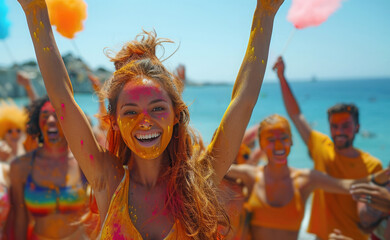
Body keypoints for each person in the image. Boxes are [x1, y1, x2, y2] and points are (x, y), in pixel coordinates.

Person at [17, 0, 285, 239]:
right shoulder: (107, 179)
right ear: (114, 122)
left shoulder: (200, 179)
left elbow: (244, 101)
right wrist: (35, 9)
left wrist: (265, 12)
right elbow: (62, 97)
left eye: (157, 108)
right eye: (131, 112)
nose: (144, 121)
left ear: (176, 115)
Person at [225, 114, 388, 240]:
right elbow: (213, 166)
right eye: (271, 140)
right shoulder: (250, 174)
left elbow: (347, 186)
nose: (279, 145)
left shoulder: (307, 179)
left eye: (284, 138)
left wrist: (379, 177)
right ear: (260, 144)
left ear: (292, 141)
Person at [273, 56, 383, 239]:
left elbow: (374, 218)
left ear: (357, 127)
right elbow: (296, 114)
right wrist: (282, 77)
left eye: (346, 125)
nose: (339, 131)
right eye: (334, 126)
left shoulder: (373, 166)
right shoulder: (322, 146)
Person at [10, 96, 89, 239]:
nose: (51, 121)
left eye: (57, 115)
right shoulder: (21, 166)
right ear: (38, 123)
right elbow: (20, 218)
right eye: (45, 116)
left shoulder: (84, 163)